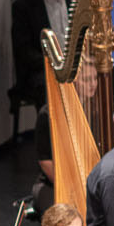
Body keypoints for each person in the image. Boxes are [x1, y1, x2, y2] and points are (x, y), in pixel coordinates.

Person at [31, 56, 99, 213]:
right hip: (53, 183)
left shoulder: (96, 111)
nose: (92, 84)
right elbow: (45, 162)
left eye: (95, 78)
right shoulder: (47, 114)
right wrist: (71, 187)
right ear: (72, 82)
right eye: (86, 80)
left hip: (88, 180)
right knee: (63, 216)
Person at [10, 0, 72, 109]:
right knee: (47, 86)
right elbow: (23, 50)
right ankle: (49, 124)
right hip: (42, 71)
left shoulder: (74, 0)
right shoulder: (24, 6)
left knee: (99, 76)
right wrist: (54, 64)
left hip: (73, 67)